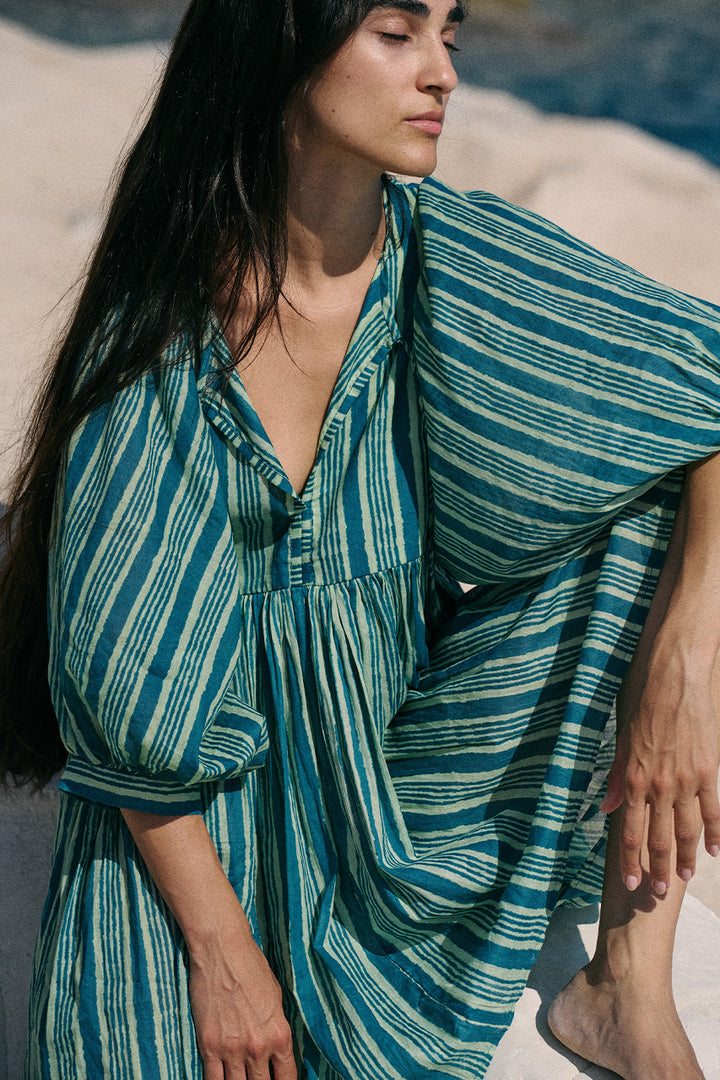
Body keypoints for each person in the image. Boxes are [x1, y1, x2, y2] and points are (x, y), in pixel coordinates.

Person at [1, 0, 720, 1077]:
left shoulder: (446, 259)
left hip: (395, 783)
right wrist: (225, 956)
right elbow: (129, 723)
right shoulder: (161, 339)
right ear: (281, 52)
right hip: (206, 843)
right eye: (398, 35)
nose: (441, 74)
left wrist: (685, 661)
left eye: (452, 36)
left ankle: (624, 987)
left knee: (649, 497)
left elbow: (697, 390)